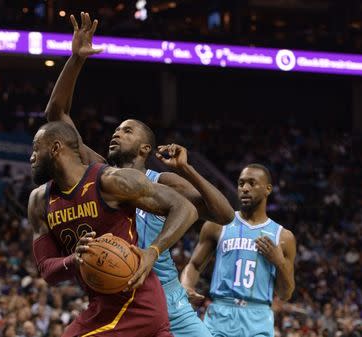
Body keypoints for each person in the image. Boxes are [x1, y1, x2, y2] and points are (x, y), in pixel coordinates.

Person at [44, 12, 234, 336]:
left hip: (168, 298)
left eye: (128, 130)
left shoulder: (162, 182)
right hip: (118, 298)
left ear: (146, 148)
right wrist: (75, 59)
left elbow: (224, 213)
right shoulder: (101, 174)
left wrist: (188, 169)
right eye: (116, 129)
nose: (117, 133)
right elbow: (56, 115)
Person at [29, 120, 198, 336]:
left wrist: (153, 251)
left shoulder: (110, 181)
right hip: (102, 305)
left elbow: (185, 208)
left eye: (36, 148)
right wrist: (75, 258)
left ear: (55, 149)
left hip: (137, 301)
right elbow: (47, 270)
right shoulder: (39, 201)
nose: (31, 157)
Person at [181, 164, 297, 337]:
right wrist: (186, 285)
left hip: (258, 316)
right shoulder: (218, 225)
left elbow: (285, 293)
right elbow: (195, 265)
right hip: (220, 312)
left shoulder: (283, 237)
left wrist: (279, 262)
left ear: (267, 189)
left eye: (252, 183)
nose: (245, 188)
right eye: (241, 183)